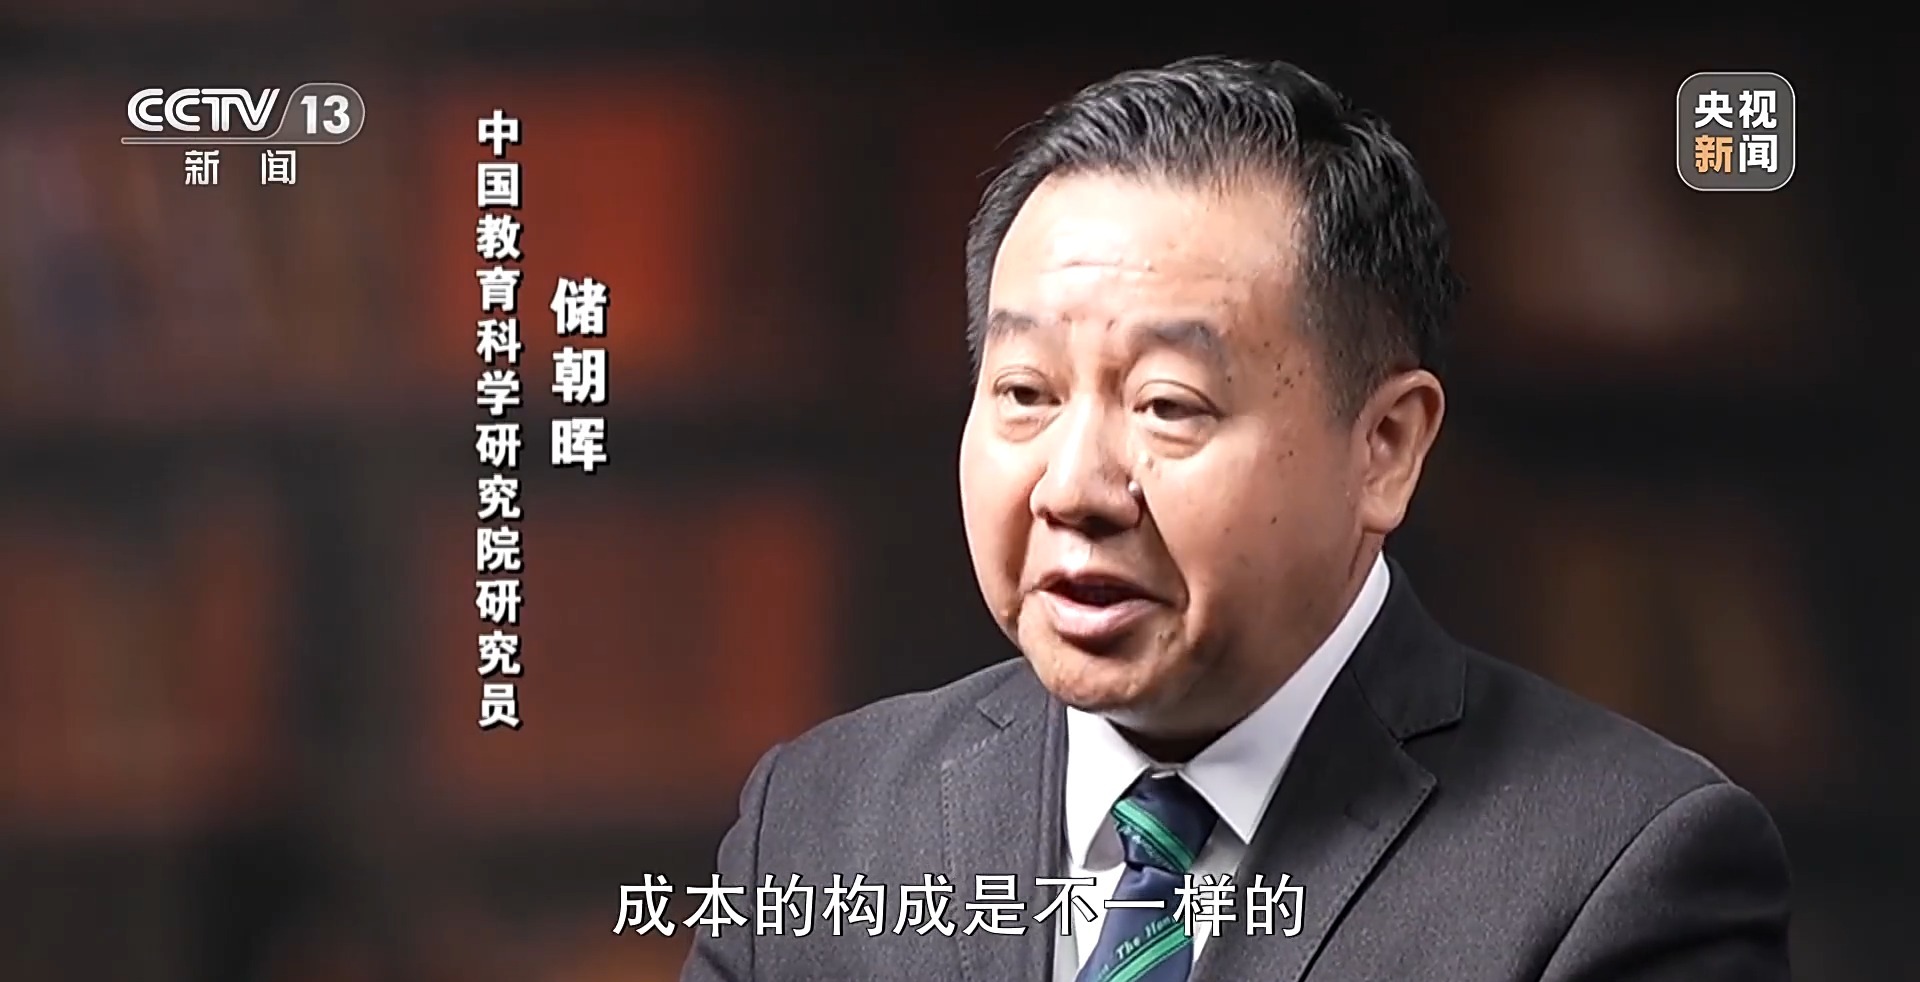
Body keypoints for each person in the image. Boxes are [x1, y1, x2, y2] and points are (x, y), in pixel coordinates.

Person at [680, 55, 1791, 982]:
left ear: (1385, 447)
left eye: (1168, 405)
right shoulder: (820, 821)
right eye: (1025, 392)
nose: (1072, 487)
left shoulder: (1624, 868)